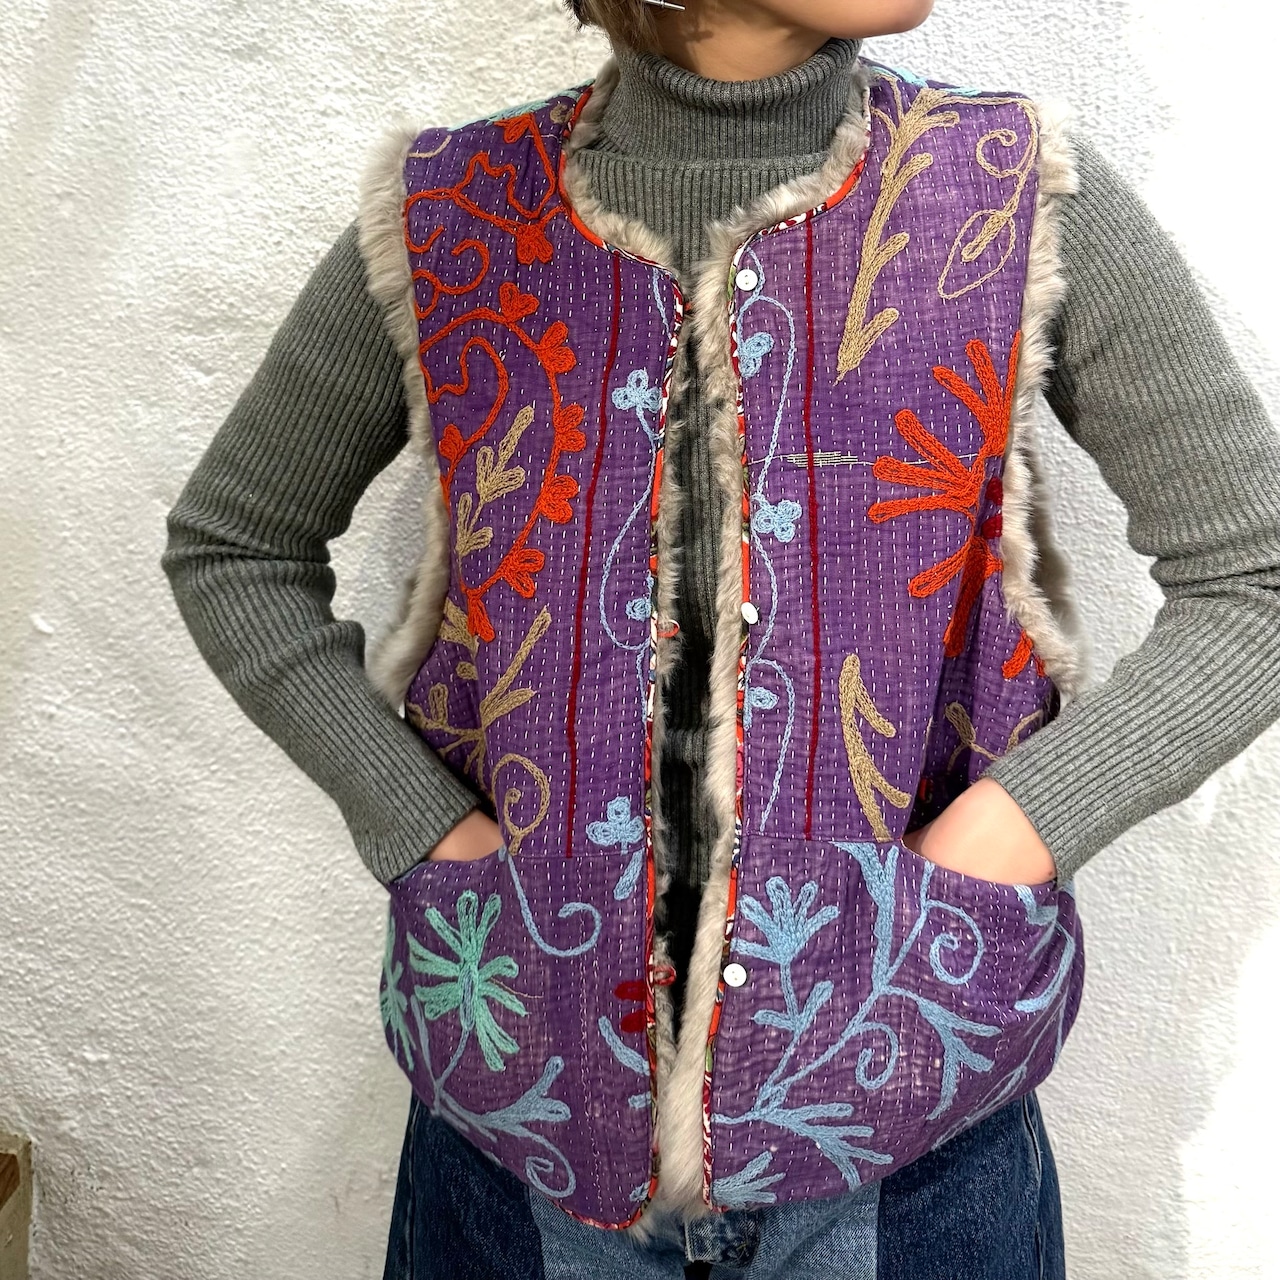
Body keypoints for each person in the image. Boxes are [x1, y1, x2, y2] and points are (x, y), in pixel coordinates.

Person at [160, 0, 1280, 1275]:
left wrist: (1004, 836)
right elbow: (234, 548)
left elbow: (1252, 572)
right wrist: (420, 825)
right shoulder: (456, 214)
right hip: (519, 1126)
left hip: (904, 1133)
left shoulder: (1000, 191)